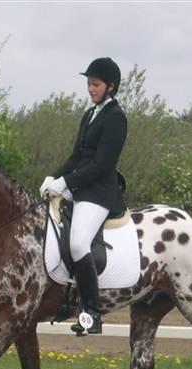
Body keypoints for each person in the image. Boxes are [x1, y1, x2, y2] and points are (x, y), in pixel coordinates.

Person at [40, 57, 127, 335]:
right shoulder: (89, 115)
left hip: (99, 193)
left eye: (96, 84)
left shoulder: (116, 119)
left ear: (110, 87)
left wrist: (66, 182)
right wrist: (53, 178)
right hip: (79, 187)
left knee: (78, 243)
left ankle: (92, 312)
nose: (90, 88)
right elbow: (76, 157)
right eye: (89, 84)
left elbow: (102, 165)